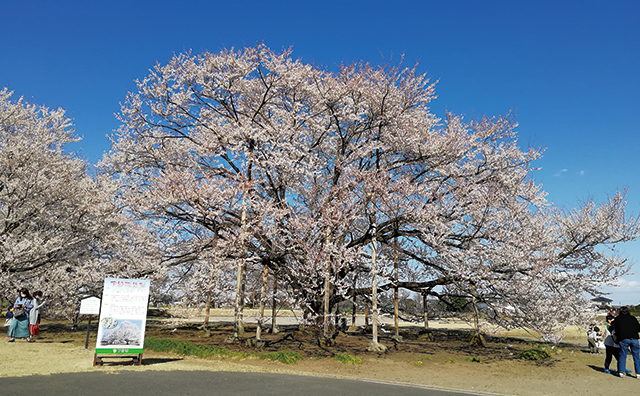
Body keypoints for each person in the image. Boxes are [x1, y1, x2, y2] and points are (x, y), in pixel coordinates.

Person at [613, 306, 640, 378]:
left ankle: (621, 372)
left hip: (623, 339)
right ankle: (638, 373)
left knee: (622, 356)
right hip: (634, 339)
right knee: (636, 357)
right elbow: (638, 328)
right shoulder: (633, 318)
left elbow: (615, 329)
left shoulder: (618, 319)